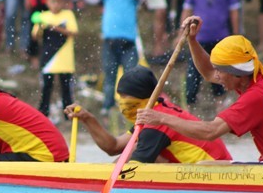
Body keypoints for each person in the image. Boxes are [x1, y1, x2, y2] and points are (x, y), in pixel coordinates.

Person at [136, 16, 263, 164]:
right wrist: (193, 40)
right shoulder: (258, 73)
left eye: (221, 70)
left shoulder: (256, 97)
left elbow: (210, 131)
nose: (216, 75)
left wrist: (161, 118)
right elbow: (209, 73)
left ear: (237, 74)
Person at [65, 66, 231, 162]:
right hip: (200, 169)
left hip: (215, 171)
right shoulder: (155, 112)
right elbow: (114, 147)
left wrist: (96, 180)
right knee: (139, 149)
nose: (122, 102)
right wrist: (88, 118)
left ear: (143, 97)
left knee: (143, 155)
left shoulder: (157, 121)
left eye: (125, 97)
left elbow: (127, 166)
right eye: (120, 97)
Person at [83, 0, 140, 113]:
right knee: (110, 76)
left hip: (129, 43)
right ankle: (108, 107)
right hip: (110, 42)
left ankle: (131, 107)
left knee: (131, 76)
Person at [182, 0, 239, 107]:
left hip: (220, 36)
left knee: (220, 72)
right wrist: (182, 33)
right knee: (193, 73)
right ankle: (190, 105)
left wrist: (235, 34)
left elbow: (233, 12)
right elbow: (187, 10)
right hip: (199, 38)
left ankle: (220, 105)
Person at [35, 0, 77, 118]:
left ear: (63, 2)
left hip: (65, 60)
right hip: (49, 59)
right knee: (46, 88)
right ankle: (43, 113)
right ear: (47, 2)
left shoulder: (68, 15)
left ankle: (68, 115)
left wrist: (54, 27)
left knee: (66, 89)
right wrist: (40, 26)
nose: (56, 5)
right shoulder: (43, 16)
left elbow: (73, 32)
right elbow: (35, 36)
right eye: (53, 1)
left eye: (59, 2)